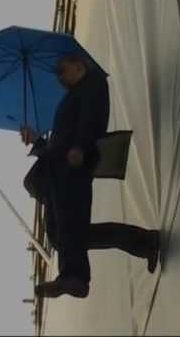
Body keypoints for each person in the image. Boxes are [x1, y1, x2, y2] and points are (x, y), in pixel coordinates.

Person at [20, 54, 160, 299]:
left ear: (78, 66)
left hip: (72, 165)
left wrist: (80, 147)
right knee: (61, 233)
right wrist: (37, 140)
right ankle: (143, 241)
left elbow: (92, 120)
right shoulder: (72, 96)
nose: (59, 77)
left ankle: (74, 276)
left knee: (70, 224)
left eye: (62, 71)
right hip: (59, 167)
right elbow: (60, 142)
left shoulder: (93, 84)